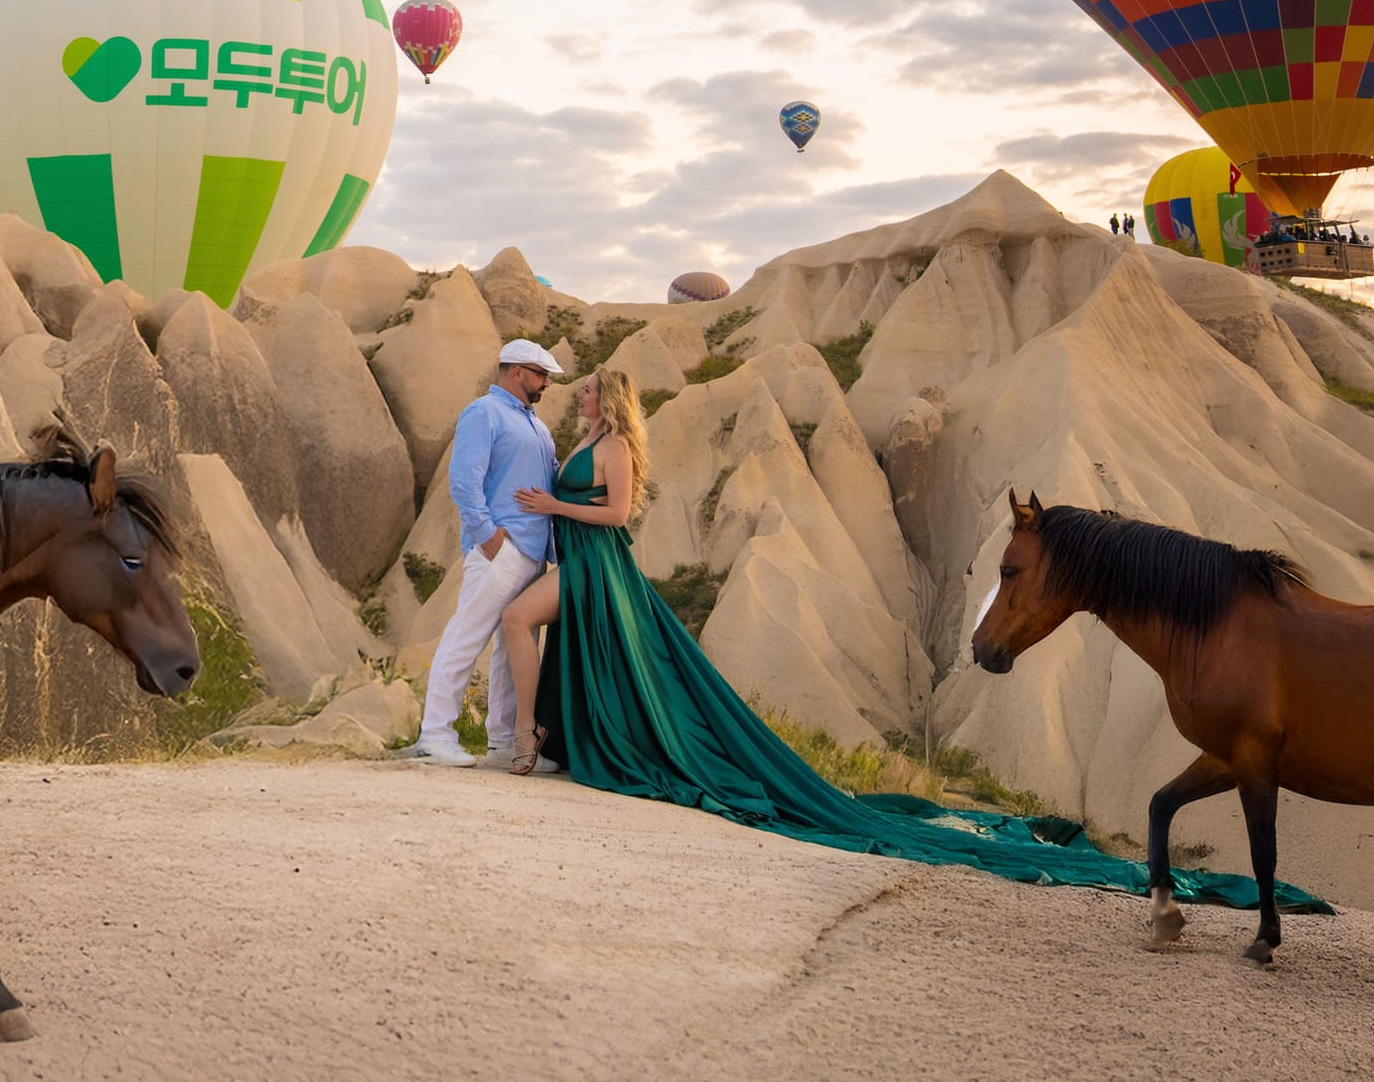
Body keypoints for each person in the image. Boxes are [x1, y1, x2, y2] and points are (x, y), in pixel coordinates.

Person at [489, 366, 1330, 913]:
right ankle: (539, 736)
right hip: (578, 563)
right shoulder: (586, 439)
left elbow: (616, 512)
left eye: (589, 392)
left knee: (528, 626)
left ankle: (528, 738)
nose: (581, 398)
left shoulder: (616, 447)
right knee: (546, 635)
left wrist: (551, 509)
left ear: (610, 401)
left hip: (597, 564)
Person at [398, 338, 562, 768]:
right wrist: (487, 535)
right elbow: (464, 480)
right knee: (466, 635)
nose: (546, 383)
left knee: (512, 650)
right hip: (501, 550)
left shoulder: (537, 427)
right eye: (541, 375)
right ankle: (436, 735)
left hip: (534, 553)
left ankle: (503, 744)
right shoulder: (483, 412)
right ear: (516, 371)